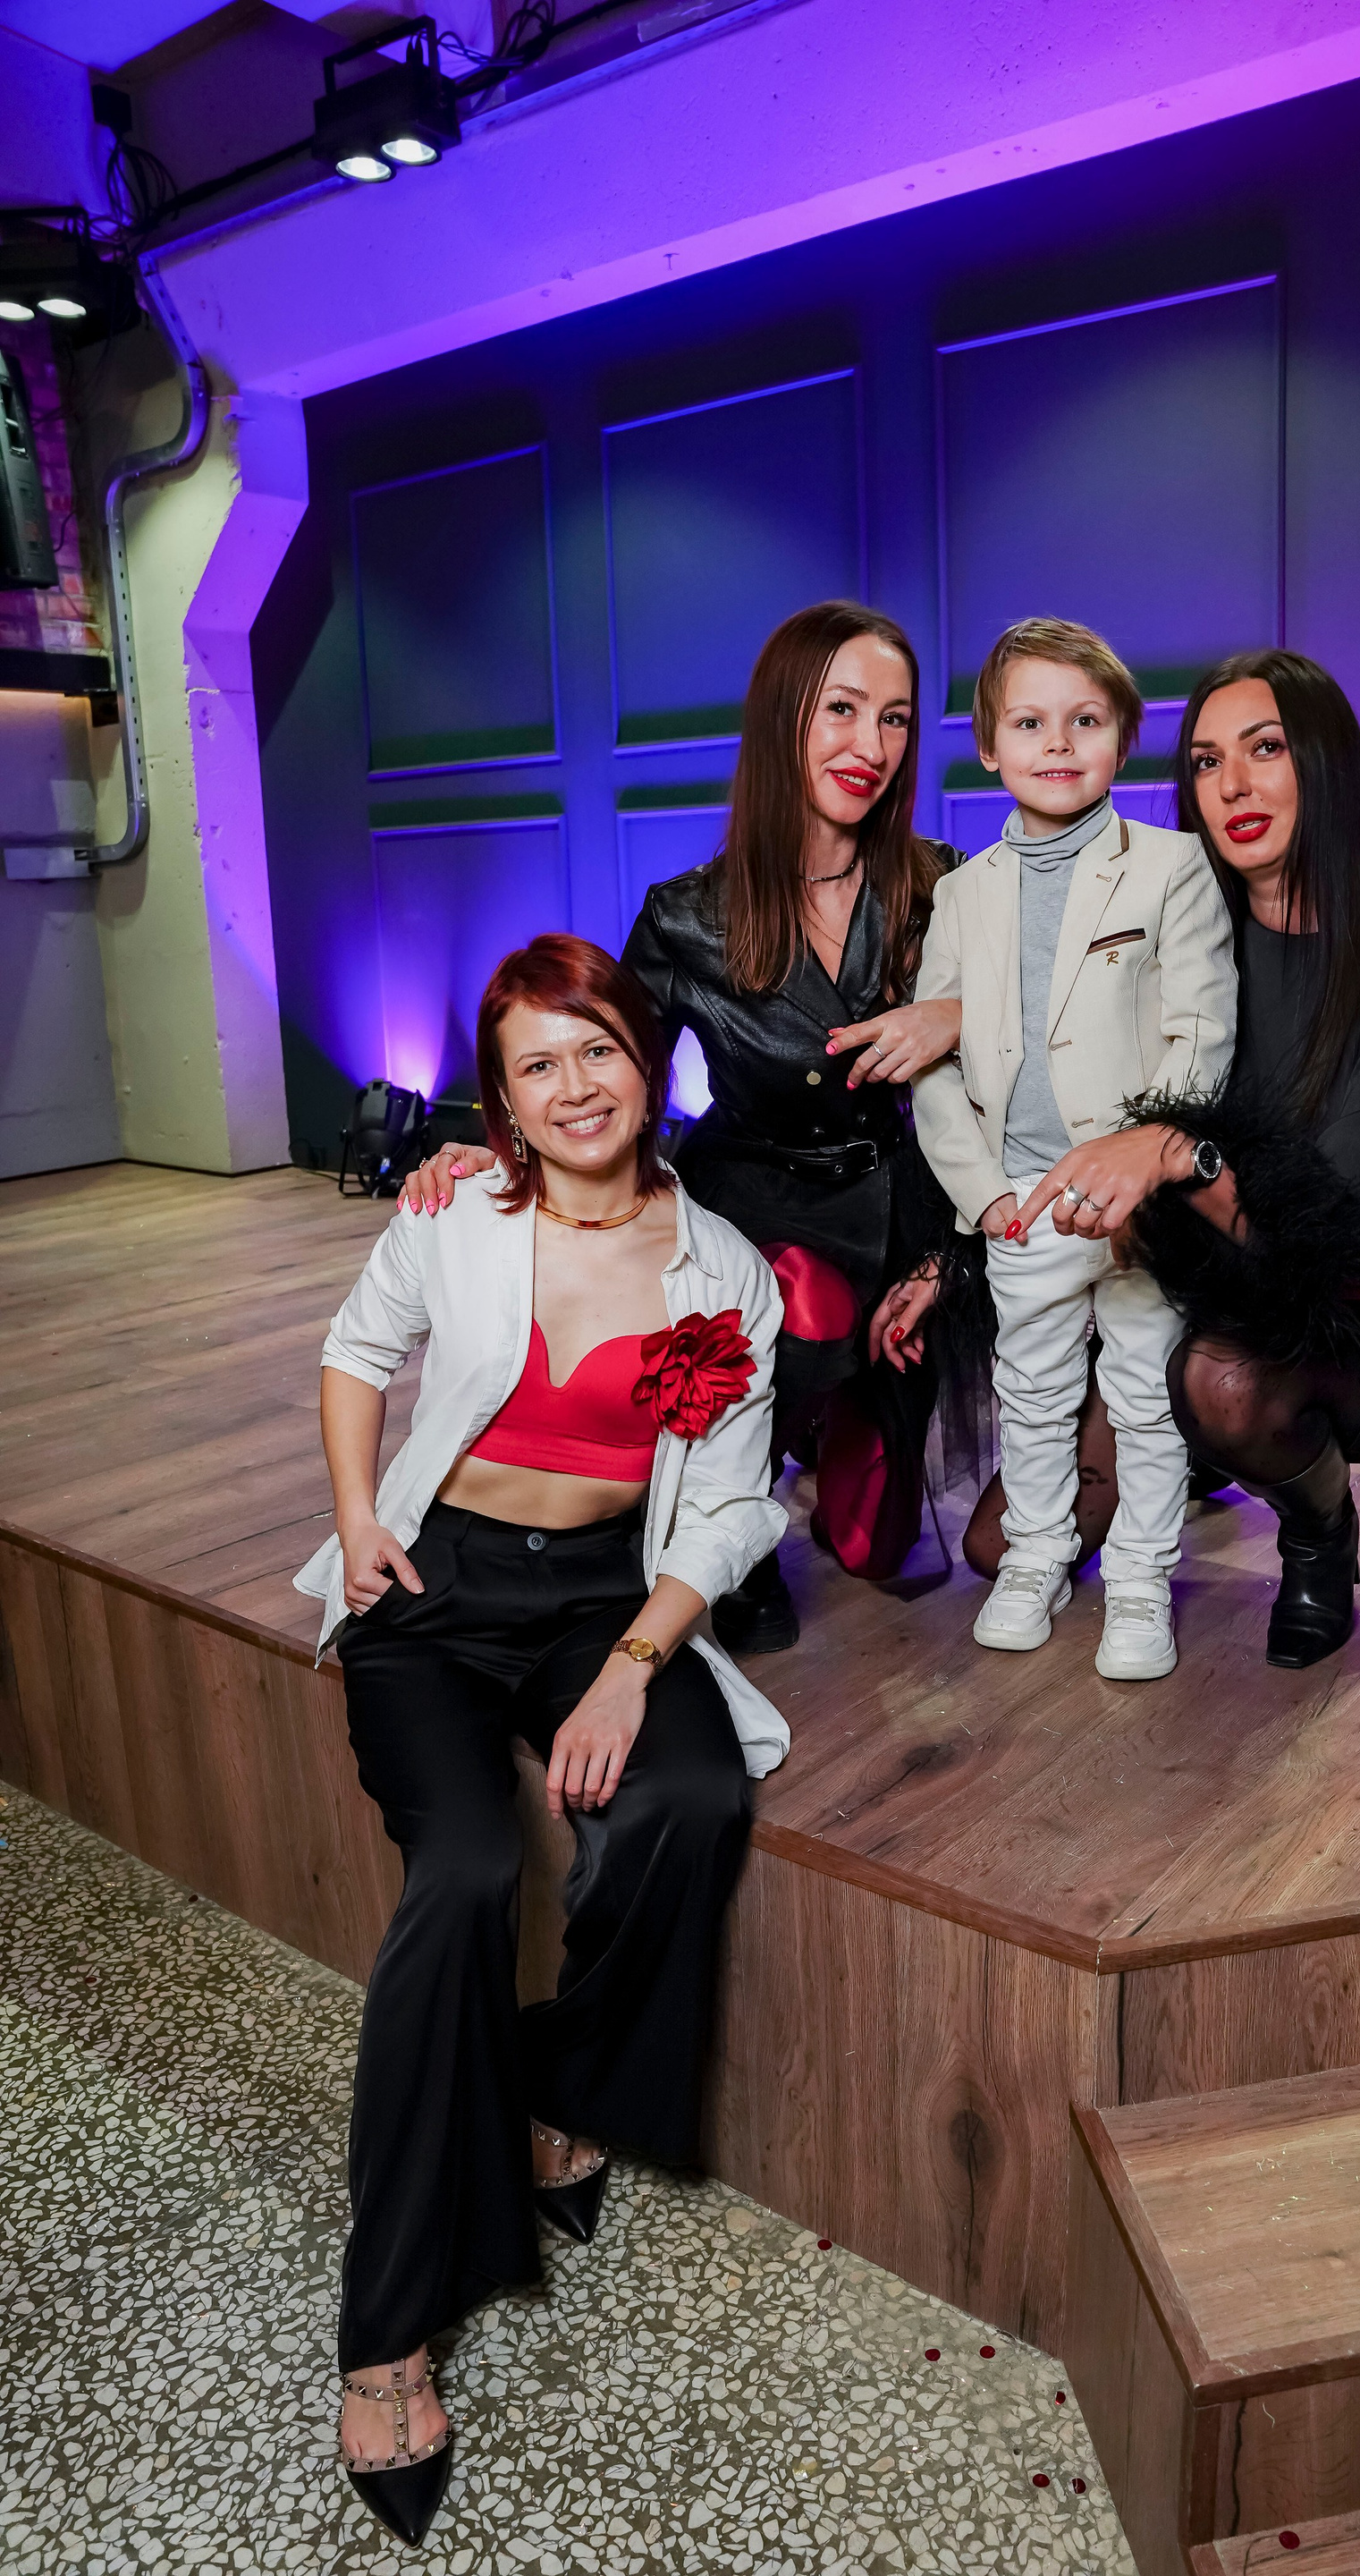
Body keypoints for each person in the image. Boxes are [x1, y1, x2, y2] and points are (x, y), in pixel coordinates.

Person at [295, 935, 786, 2548]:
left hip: (603, 1595)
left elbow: (728, 1504)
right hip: (435, 1590)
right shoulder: (453, 1214)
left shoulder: (723, 1269)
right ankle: (387, 2329)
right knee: (465, 1870)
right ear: (501, 1099)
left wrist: (637, 1666)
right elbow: (356, 1354)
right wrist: (359, 1519)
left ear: (648, 1059)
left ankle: (556, 2091)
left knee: (692, 1796)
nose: (575, 1087)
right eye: (536, 1065)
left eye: (598, 1050)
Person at [408, 600, 964, 1654]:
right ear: (783, 719)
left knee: (876, 1547)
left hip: (903, 1206)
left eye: (895, 718)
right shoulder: (686, 913)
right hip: (758, 1204)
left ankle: (818, 1423)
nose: (871, 745)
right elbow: (607, 1064)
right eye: (842, 710)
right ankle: (731, 1523)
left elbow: (1042, 1033)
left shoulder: (945, 883)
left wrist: (961, 1013)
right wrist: (510, 1143)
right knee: (800, 1300)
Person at [1007, 648, 1360, 1669]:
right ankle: (1186, 1432)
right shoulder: (1188, 923)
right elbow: (1046, 1011)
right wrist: (948, 1016)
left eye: (1265, 749)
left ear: (1326, 764)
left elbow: (1342, 1242)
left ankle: (1319, 1526)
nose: (1231, 785)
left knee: (1226, 1387)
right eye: (1205, 760)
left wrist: (1174, 1152)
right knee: (994, 1548)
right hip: (1189, 1279)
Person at [911, 617, 1236, 1679]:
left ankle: (1140, 1579)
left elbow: (1202, 1035)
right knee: (1034, 1394)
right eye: (1030, 723)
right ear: (989, 746)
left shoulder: (1171, 867)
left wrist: (1145, 1156)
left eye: (1085, 721)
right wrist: (984, 1197)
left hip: (1138, 1203)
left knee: (1145, 1397)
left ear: (1123, 739)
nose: (1058, 743)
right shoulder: (961, 893)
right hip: (1022, 1198)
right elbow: (934, 1065)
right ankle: (1038, 1556)